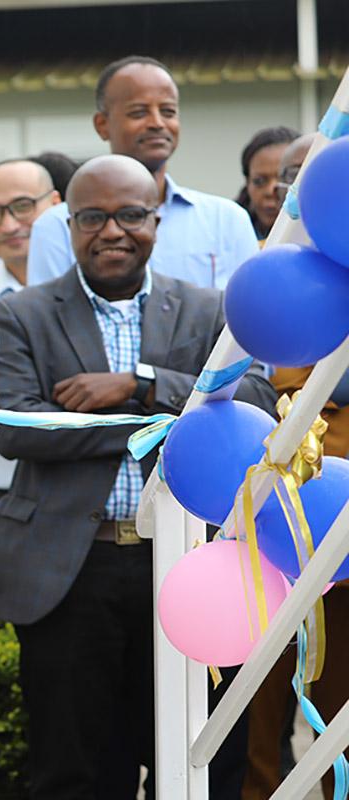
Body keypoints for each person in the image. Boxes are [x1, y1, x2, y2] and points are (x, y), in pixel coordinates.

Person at [0, 154, 277, 799]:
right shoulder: (21, 314)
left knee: (202, 764)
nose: (112, 231)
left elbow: (256, 401)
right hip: (70, 572)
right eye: (92, 217)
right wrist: (174, 420)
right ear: (68, 224)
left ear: (155, 222)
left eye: (129, 215)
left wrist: (140, 386)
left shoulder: (208, 310)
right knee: (75, 773)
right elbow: (17, 429)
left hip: (187, 562)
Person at [243, 130, 349, 800]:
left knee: (341, 703)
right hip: (282, 510)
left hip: (342, 523)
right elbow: (281, 384)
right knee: (257, 701)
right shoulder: (266, 273)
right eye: (290, 176)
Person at [26, 55, 259, 289]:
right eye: (138, 113)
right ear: (102, 125)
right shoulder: (58, 226)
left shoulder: (227, 221)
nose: (157, 123)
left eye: (168, 111)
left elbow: (247, 306)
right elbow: (52, 309)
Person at [0, 159, 61, 596]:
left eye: (23, 206)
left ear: (55, 204)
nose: (8, 225)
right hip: (5, 490)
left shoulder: (96, 279)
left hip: (90, 492)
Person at [235, 126, 299, 241]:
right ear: (247, 182)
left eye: (284, 179)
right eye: (259, 181)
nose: (270, 190)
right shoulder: (228, 234)